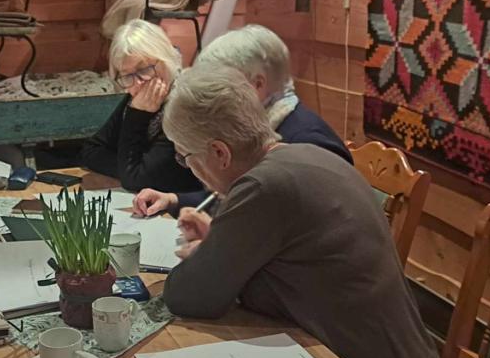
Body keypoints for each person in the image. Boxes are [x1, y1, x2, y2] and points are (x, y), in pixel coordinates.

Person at [160, 66, 453, 358]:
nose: (189, 168)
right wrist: (220, 241)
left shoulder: (264, 186)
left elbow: (188, 296)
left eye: (185, 157)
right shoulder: (308, 155)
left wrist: (206, 255)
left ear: (220, 153)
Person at [133, 24, 352, 216]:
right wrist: (174, 200)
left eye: (219, 87)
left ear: (257, 85)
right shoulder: (257, 129)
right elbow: (237, 195)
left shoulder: (308, 142)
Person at [78, 20, 200, 193]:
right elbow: (91, 151)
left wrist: (137, 116)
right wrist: (130, 169)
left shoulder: (183, 104)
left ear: (167, 61)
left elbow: (135, 179)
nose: (138, 83)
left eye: (144, 69)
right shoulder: (137, 99)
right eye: (126, 75)